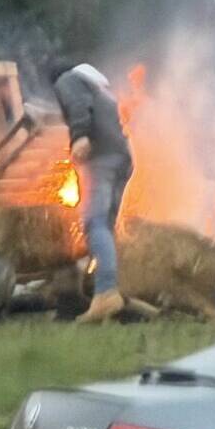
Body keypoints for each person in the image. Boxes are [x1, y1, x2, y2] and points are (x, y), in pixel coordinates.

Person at [50, 59, 132, 323]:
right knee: (105, 227)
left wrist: (79, 136)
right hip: (122, 159)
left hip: (102, 160)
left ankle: (106, 293)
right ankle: (109, 289)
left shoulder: (68, 80)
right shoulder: (100, 88)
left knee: (94, 223)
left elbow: (77, 105)